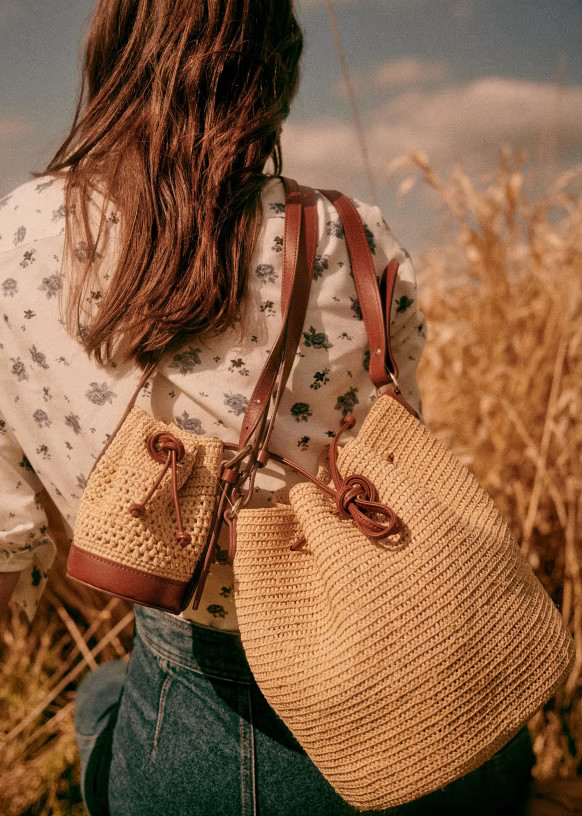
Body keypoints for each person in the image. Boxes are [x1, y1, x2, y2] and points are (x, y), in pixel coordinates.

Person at [0, 1, 536, 813]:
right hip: (422, 691)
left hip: (195, 725)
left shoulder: (18, 236)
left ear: (113, 56)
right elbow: (400, 461)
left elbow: (9, 546)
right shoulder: (348, 236)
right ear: (272, 74)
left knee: (100, 700)